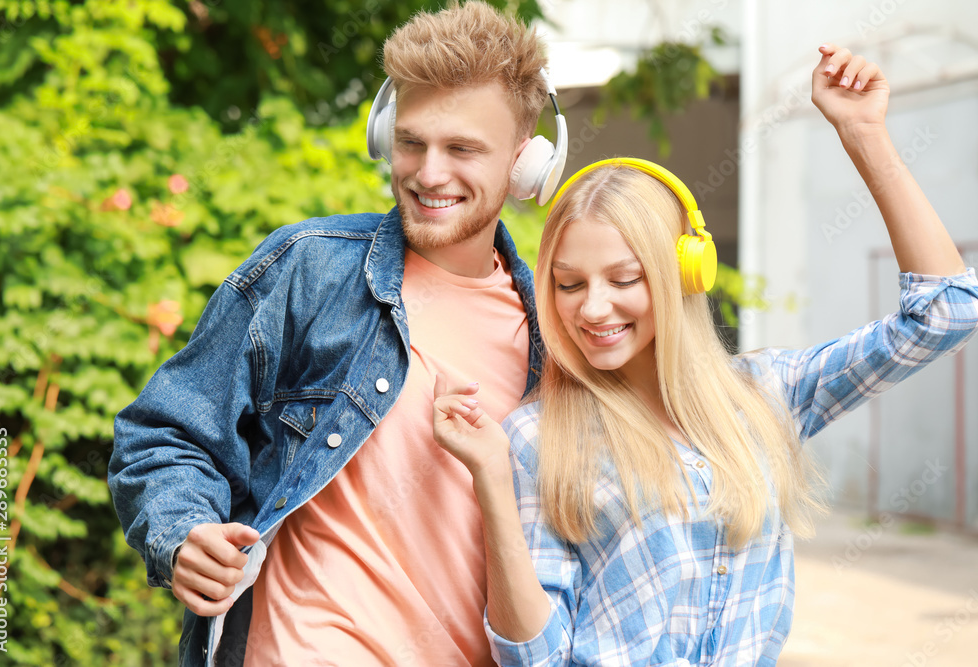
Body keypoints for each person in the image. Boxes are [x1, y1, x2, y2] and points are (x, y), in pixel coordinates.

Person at [432, 43, 978, 665]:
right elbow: (533, 658)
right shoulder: (535, 438)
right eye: (570, 284)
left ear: (682, 276)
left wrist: (863, 135)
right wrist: (493, 482)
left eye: (624, 279)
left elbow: (946, 313)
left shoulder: (765, 394)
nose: (592, 308)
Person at [107, 2, 565, 665]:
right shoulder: (308, 268)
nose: (429, 173)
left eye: (462, 148)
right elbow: (165, 430)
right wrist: (186, 533)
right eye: (411, 142)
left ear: (525, 163)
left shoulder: (555, 340)